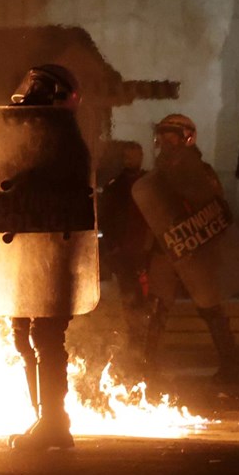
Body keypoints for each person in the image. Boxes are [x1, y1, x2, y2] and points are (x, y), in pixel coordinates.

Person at [3, 64, 86, 451]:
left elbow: (63, 192)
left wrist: (26, 188)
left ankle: (55, 421)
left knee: (46, 335)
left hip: (53, 250)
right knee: (23, 333)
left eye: (39, 85)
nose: (29, 90)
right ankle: (44, 418)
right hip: (23, 249)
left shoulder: (65, 139)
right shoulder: (25, 134)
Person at [141, 114, 239, 384]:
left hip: (196, 250)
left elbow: (214, 209)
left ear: (186, 136)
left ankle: (231, 366)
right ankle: (147, 365)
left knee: (211, 308)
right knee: (158, 308)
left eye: (170, 134)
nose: (164, 140)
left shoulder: (202, 171)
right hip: (166, 249)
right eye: (161, 134)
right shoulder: (156, 175)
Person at [99, 142, 150, 349]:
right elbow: (107, 219)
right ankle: (136, 341)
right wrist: (113, 246)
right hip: (126, 252)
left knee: (148, 297)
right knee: (131, 297)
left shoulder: (149, 182)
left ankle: (144, 343)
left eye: (135, 156)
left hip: (147, 249)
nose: (132, 161)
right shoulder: (116, 187)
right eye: (128, 157)